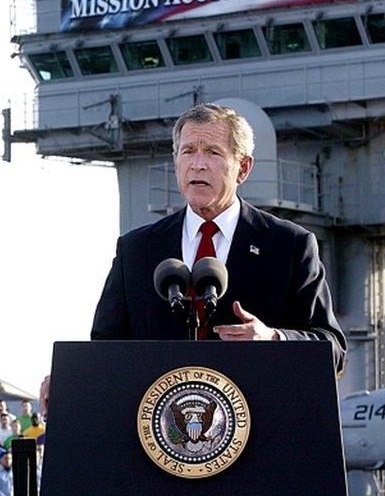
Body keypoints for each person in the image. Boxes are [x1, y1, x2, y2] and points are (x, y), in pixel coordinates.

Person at [91, 103, 346, 371]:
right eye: (188, 151)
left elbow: (333, 348)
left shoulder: (290, 246)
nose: (198, 165)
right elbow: (104, 347)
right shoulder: (136, 250)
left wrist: (274, 339)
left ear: (243, 168)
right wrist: (66, 378)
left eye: (213, 153)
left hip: (254, 409)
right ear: (176, 160)